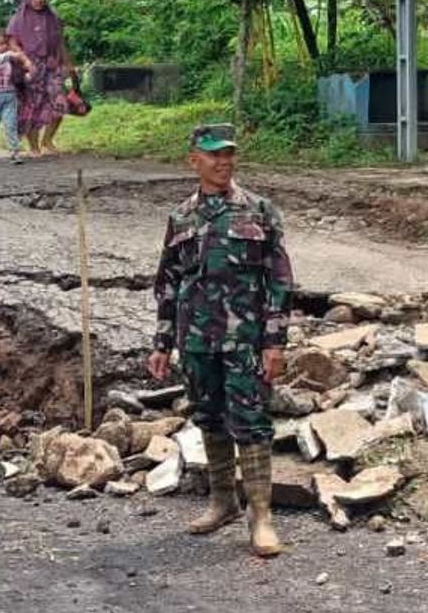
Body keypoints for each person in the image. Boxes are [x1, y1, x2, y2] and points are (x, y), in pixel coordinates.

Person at [147, 123, 294, 558]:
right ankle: (222, 501)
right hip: (196, 341)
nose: (223, 162)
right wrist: (162, 343)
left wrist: (275, 341)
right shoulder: (181, 218)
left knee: (251, 422)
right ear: (194, 160)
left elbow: (280, 281)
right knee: (209, 418)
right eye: (213, 155)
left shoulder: (260, 211)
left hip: (245, 341)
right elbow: (168, 284)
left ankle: (261, 515)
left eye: (228, 153)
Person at [7, 0, 74, 157]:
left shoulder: (53, 18)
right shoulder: (18, 19)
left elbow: (60, 42)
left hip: (52, 64)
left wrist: (68, 64)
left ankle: (48, 140)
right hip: (30, 66)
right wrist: (24, 59)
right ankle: (34, 146)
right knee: (32, 106)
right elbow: (12, 43)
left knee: (60, 102)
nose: (38, 0)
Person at [0, 31, 33, 164]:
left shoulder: (11, 62)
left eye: (5, 44)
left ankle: (14, 152)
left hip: (9, 96)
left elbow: (20, 76)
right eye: (0, 44)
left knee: (11, 125)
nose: (4, 46)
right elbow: (3, 57)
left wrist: (27, 74)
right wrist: (13, 54)